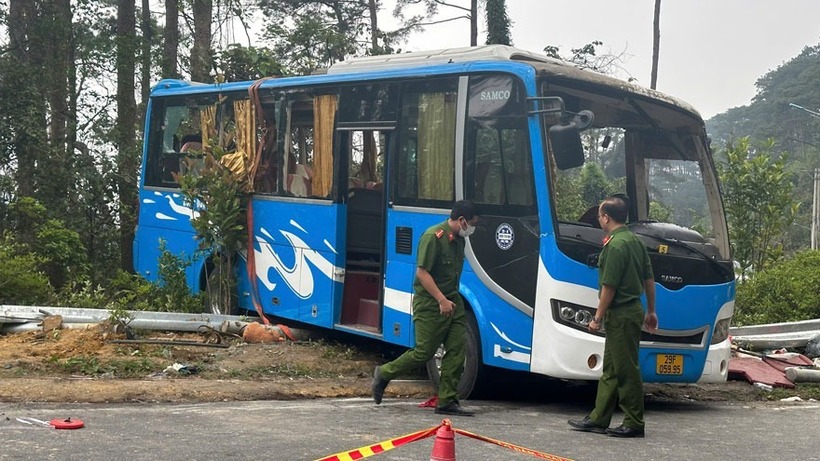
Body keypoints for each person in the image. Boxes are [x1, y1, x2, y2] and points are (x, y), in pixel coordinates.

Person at [372, 200, 479, 416]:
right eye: (472, 223)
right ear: (461, 220)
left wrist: (449, 301)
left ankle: (447, 400)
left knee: (458, 350)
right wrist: (440, 300)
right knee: (424, 352)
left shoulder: (459, 241)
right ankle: (384, 373)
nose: (473, 229)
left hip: (453, 302)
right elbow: (422, 273)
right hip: (431, 304)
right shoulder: (433, 237)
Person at [568, 195, 658, 438]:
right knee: (611, 368)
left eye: (599, 215)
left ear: (606, 217)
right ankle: (599, 417)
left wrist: (597, 317)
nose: (599, 219)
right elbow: (649, 278)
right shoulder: (635, 242)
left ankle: (634, 422)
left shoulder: (616, 245)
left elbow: (609, 287)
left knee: (626, 368)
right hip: (632, 311)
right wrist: (651, 310)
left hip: (621, 313)